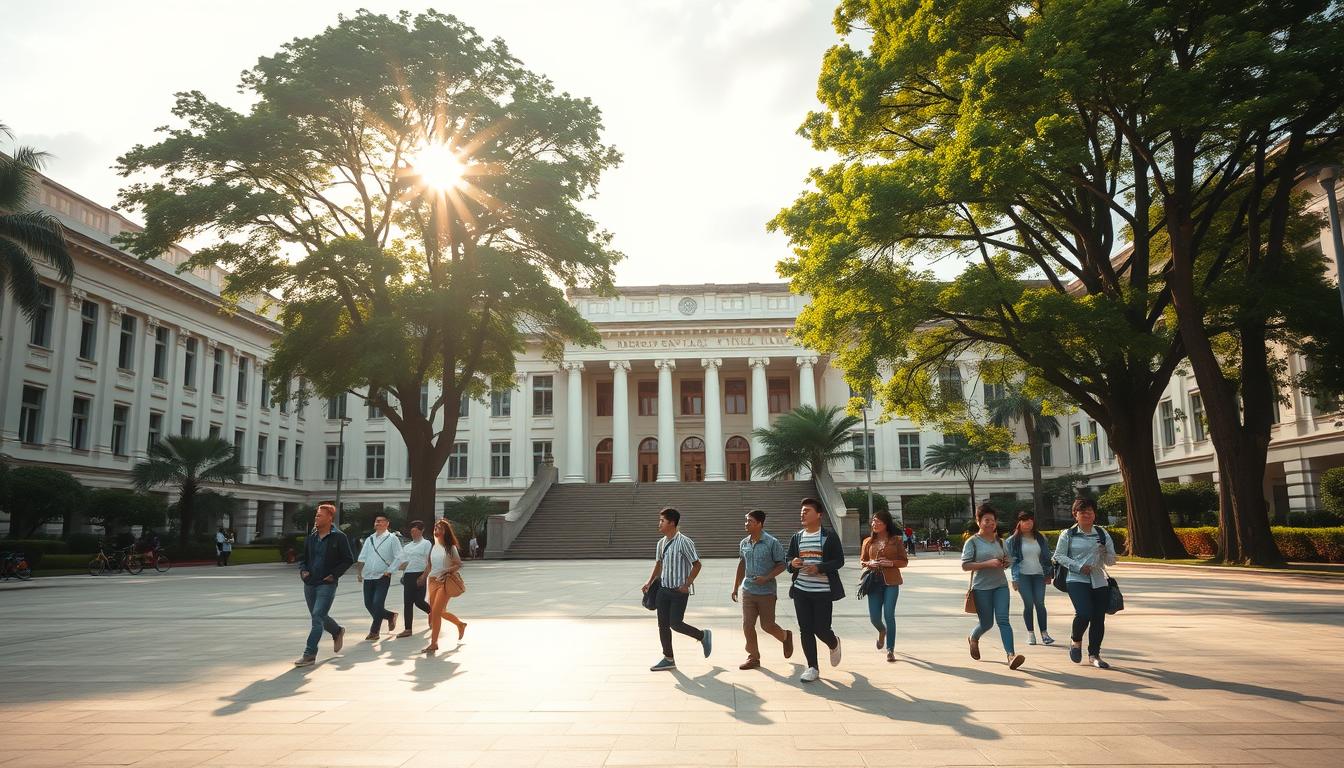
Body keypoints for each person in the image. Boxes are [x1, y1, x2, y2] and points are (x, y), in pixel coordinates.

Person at [642, 508, 711, 672]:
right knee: (663, 626)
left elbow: (697, 564)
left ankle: (702, 635)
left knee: (676, 624)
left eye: (662, 521)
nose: (659, 523)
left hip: (679, 592)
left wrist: (687, 584)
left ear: (672, 523)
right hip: (663, 590)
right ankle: (668, 658)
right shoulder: (661, 543)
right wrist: (649, 581)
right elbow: (659, 564)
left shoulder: (684, 542)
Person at [1053, 498, 1118, 669]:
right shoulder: (1068, 534)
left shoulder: (1102, 533)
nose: (1087, 514)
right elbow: (1058, 556)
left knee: (1098, 618)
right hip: (1075, 579)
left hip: (1099, 579)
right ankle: (1076, 640)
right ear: (1075, 515)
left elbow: (1111, 561)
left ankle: (1094, 655)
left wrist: (1106, 553)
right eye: (1082, 511)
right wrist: (1079, 567)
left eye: (1090, 511)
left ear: (1094, 514)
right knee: (1084, 613)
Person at [785, 497, 844, 683]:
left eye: (807, 511)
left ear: (819, 515)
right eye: (802, 511)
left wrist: (820, 567)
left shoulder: (829, 536)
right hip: (801, 590)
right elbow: (788, 561)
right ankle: (812, 667)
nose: (803, 513)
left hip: (823, 591)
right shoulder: (797, 537)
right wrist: (792, 563)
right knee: (805, 629)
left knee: (821, 628)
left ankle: (833, 642)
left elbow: (839, 561)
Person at [962, 504, 1025, 669]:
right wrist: (987, 563)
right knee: (987, 623)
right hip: (981, 588)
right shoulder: (972, 542)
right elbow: (965, 565)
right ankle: (973, 638)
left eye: (993, 521)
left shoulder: (1000, 541)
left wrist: (1006, 562)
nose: (990, 523)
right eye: (986, 520)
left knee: (1003, 620)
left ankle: (1011, 655)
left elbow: (1007, 559)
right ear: (978, 521)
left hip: (1000, 586)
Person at [731, 509, 793, 670]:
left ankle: (786, 636)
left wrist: (766, 578)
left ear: (759, 523)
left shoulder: (772, 542)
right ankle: (753, 657)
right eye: (746, 520)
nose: (746, 524)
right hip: (748, 590)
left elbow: (782, 564)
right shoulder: (744, 543)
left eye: (750, 521)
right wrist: (736, 586)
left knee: (767, 625)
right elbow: (742, 563)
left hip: (767, 592)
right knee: (747, 625)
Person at [294, 503, 354, 666]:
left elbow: (348, 559)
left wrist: (333, 575)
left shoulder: (339, 537)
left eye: (319, 516)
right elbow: (304, 559)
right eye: (316, 515)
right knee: (318, 616)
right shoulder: (311, 537)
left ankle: (309, 654)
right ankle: (337, 631)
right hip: (310, 583)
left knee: (317, 617)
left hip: (327, 584)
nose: (316, 518)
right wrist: (303, 570)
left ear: (329, 518)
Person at [861, 510, 909, 663]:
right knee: (874, 618)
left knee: (889, 614)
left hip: (892, 582)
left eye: (878, 522)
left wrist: (891, 563)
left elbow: (904, 561)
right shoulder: (868, 541)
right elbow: (862, 561)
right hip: (873, 582)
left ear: (886, 524)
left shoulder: (896, 540)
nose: (875, 524)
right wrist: (870, 563)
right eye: (873, 521)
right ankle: (882, 631)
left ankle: (890, 649)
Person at [1007, 510, 1055, 646]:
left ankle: (1044, 634)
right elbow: (1011, 562)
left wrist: (1048, 574)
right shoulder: (1013, 541)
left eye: (1030, 521)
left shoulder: (1040, 538)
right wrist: (1014, 579)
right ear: (1019, 523)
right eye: (1024, 521)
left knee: (1040, 604)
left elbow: (1046, 557)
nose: (1028, 523)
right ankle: (1031, 634)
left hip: (1039, 575)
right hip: (1022, 576)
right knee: (1028, 604)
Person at [355, 513, 404, 641]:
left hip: (383, 576)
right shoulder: (369, 539)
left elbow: (399, 556)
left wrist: (390, 570)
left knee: (377, 603)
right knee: (368, 604)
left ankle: (374, 631)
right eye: (377, 521)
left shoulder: (392, 539)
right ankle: (389, 616)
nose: (378, 523)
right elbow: (362, 557)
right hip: (368, 576)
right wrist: (359, 572)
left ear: (387, 523)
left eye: (382, 521)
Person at [424, 518, 468, 653]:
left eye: (440, 529)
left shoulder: (450, 547)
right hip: (431, 581)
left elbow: (459, 564)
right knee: (439, 611)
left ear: (445, 532)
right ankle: (460, 624)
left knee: (436, 612)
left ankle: (434, 643)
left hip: (444, 582)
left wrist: (446, 571)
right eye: (435, 528)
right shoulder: (434, 547)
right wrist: (423, 577)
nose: (436, 531)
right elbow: (430, 565)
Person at [394, 520, 433, 639]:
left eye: (415, 531)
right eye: (411, 531)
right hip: (408, 576)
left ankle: (432, 612)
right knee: (408, 603)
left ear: (422, 531)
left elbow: (429, 562)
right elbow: (402, 562)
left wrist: (424, 576)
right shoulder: (407, 546)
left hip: (420, 574)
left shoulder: (426, 544)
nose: (413, 533)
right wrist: (398, 567)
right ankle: (408, 629)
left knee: (419, 601)